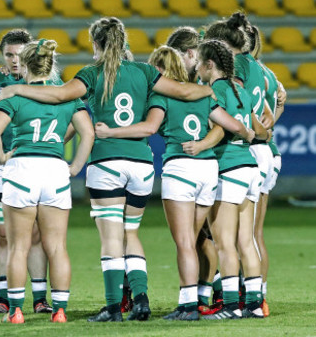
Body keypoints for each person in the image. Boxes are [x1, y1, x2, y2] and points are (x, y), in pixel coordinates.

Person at [0, 17, 215, 322]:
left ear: (96, 44)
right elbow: (184, 92)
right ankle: (141, 300)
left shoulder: (91, 73)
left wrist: (16, 91)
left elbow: (60, 95)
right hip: (141, 162)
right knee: (132, 233)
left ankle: (114, 306)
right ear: (123, 43)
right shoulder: (145, 71)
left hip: (106, 161)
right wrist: (213, 91)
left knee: (112, 238)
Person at [94, 46, 253, 321]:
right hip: (208, 170)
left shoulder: (161, 97)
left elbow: (149, 128)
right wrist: (250, 133)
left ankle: (188, 306)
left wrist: (110, 132)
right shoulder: (202, 93)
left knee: (184, 243)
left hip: (180, 168)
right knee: (194, 239)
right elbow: (231, 125)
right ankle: (200, 300)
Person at [0, 38, 94, 324]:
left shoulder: (15, 95)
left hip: (22, 168)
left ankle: (16, 311)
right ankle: (59, 311)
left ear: (23, 65)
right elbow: (89, 133)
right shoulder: (68, 96)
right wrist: (75, 167)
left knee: (18, 246)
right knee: (57, 246)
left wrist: (1, 158)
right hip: (55, 170)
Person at [0, 29, 53, 315]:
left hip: (36, 165)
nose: (15, 61)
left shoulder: (48, 81)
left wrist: (48, 146)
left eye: (19, 55)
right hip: (0, 166)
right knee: (4, 235)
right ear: (2, 55)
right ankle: (4, 297)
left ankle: (40, 298)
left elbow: (69, 122)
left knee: (37, 234)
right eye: (9, 55)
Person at [191, 39, 270, 320]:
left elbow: (219, 129)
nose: (196, 67)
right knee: (245, 241)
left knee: (224, 242)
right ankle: (255, 304)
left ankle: (230, 306)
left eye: (198, 62)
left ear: (209, 64)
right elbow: (261, 131)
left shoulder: (214, 90)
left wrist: (200, 144)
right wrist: (253, 135)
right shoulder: (241, 88)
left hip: (228, 169)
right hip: (251, 167)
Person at [166, 26, 222, 312]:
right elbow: (224, 125)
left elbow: (219, 128)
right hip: (209, 168)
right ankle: (205, 294)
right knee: (199, 237)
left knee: (200, 237)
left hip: (200, 166)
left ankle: (204, 294)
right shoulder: (198, 87)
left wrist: (201, 145)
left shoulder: (203, 85)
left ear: (190, 54)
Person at [249, 23, 287, 317]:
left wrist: (259, 131)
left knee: (242, 232)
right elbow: (278, 105)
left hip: (254, 150)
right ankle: (259, 294)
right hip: (269, 153)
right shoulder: (270, 73)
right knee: (254, 231)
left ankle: (250, 296)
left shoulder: (246, 70)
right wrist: (269, 126)